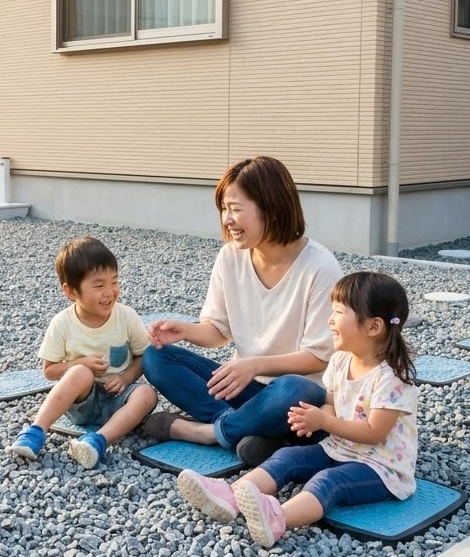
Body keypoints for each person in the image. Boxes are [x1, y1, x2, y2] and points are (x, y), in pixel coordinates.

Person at [175, 271, 419, 548]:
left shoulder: (392, 378)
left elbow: (375, 432)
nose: (330, 319)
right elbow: (331, 403)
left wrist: (324, 423)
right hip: (341, 448)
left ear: (373, 327)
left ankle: (278, 518)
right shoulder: (340, 361)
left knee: (329, 481)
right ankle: (230, 497)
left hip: (381, 468)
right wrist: (316, 420)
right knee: (289, 456)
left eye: (339, 312)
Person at [142, 156, 341, 462]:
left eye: (235, 209)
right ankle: (253, 431)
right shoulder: (229, 257)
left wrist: (254, 365)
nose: (227, 220)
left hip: (294, 396)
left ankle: (209, 432)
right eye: (224, 209)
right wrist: (185, 331)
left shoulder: (320, 267)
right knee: (156, 357)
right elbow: (219, 331)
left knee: (292, 389)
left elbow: (317, 357)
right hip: (243, 387)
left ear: (271, 206)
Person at [6, 237, 158, 469]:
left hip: (119, 399)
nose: (110, 292)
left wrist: (125, 378)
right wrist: (81, 363)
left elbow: (144, 355)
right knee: (80, 372)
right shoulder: (62, 323)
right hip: (81, 404)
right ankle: (35, 432)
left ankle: (98, 441)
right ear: (70, 291)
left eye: (114, 281)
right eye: (99, 286)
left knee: (147, 394)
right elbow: (49, 370)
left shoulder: (126, 316)